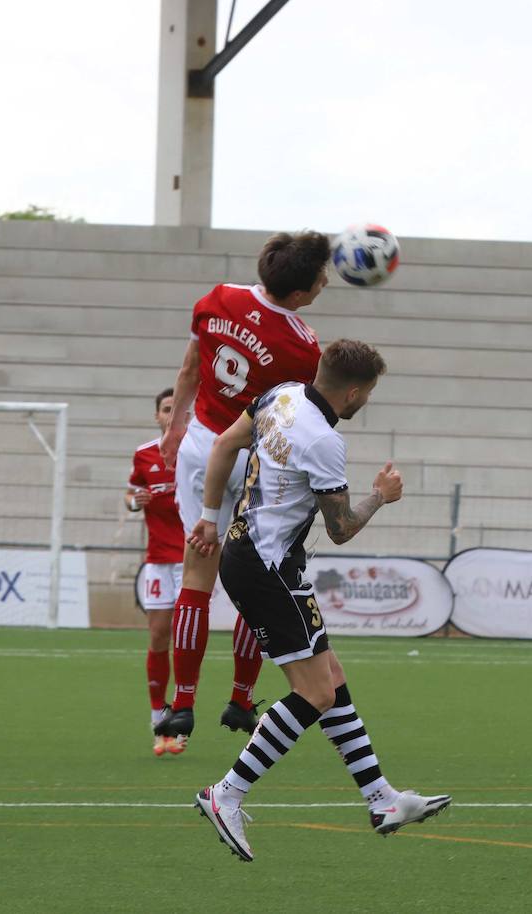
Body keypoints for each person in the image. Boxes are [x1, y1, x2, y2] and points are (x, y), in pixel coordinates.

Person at [186, 340, 450, 862]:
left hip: (249, 551)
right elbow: (342, 529)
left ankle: (382, 800)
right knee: (317, 694)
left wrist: (207, 518)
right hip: (269, 569)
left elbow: (222, 446)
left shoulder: (280, 395)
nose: (366, 402)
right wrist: (382, 495)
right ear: (352, 391)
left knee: (331, 677)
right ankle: (227, 794)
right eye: (368, 393)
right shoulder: (325, 441)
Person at [155, 230, 332, 750]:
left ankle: (182, 704)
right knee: (253, 583)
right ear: (300, 293)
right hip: (257, 463)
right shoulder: (303, 347)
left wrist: (173, 428)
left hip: (202, 446)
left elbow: (190, 368)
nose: (325, 282)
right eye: (321, 277)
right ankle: (239, 696)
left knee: (197, 573)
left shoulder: (217, 299)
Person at [127, 387, 185, 756]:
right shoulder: (144, 454)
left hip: (193, 560)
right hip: (157, 559)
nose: (173, 414)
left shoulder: (201, 453)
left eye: (179, 409)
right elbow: (131, 493)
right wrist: (135, 502)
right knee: (159, 636)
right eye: (167, 409)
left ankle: (181, 717)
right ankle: (157, 718)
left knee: (185, 637)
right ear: (158, 416)